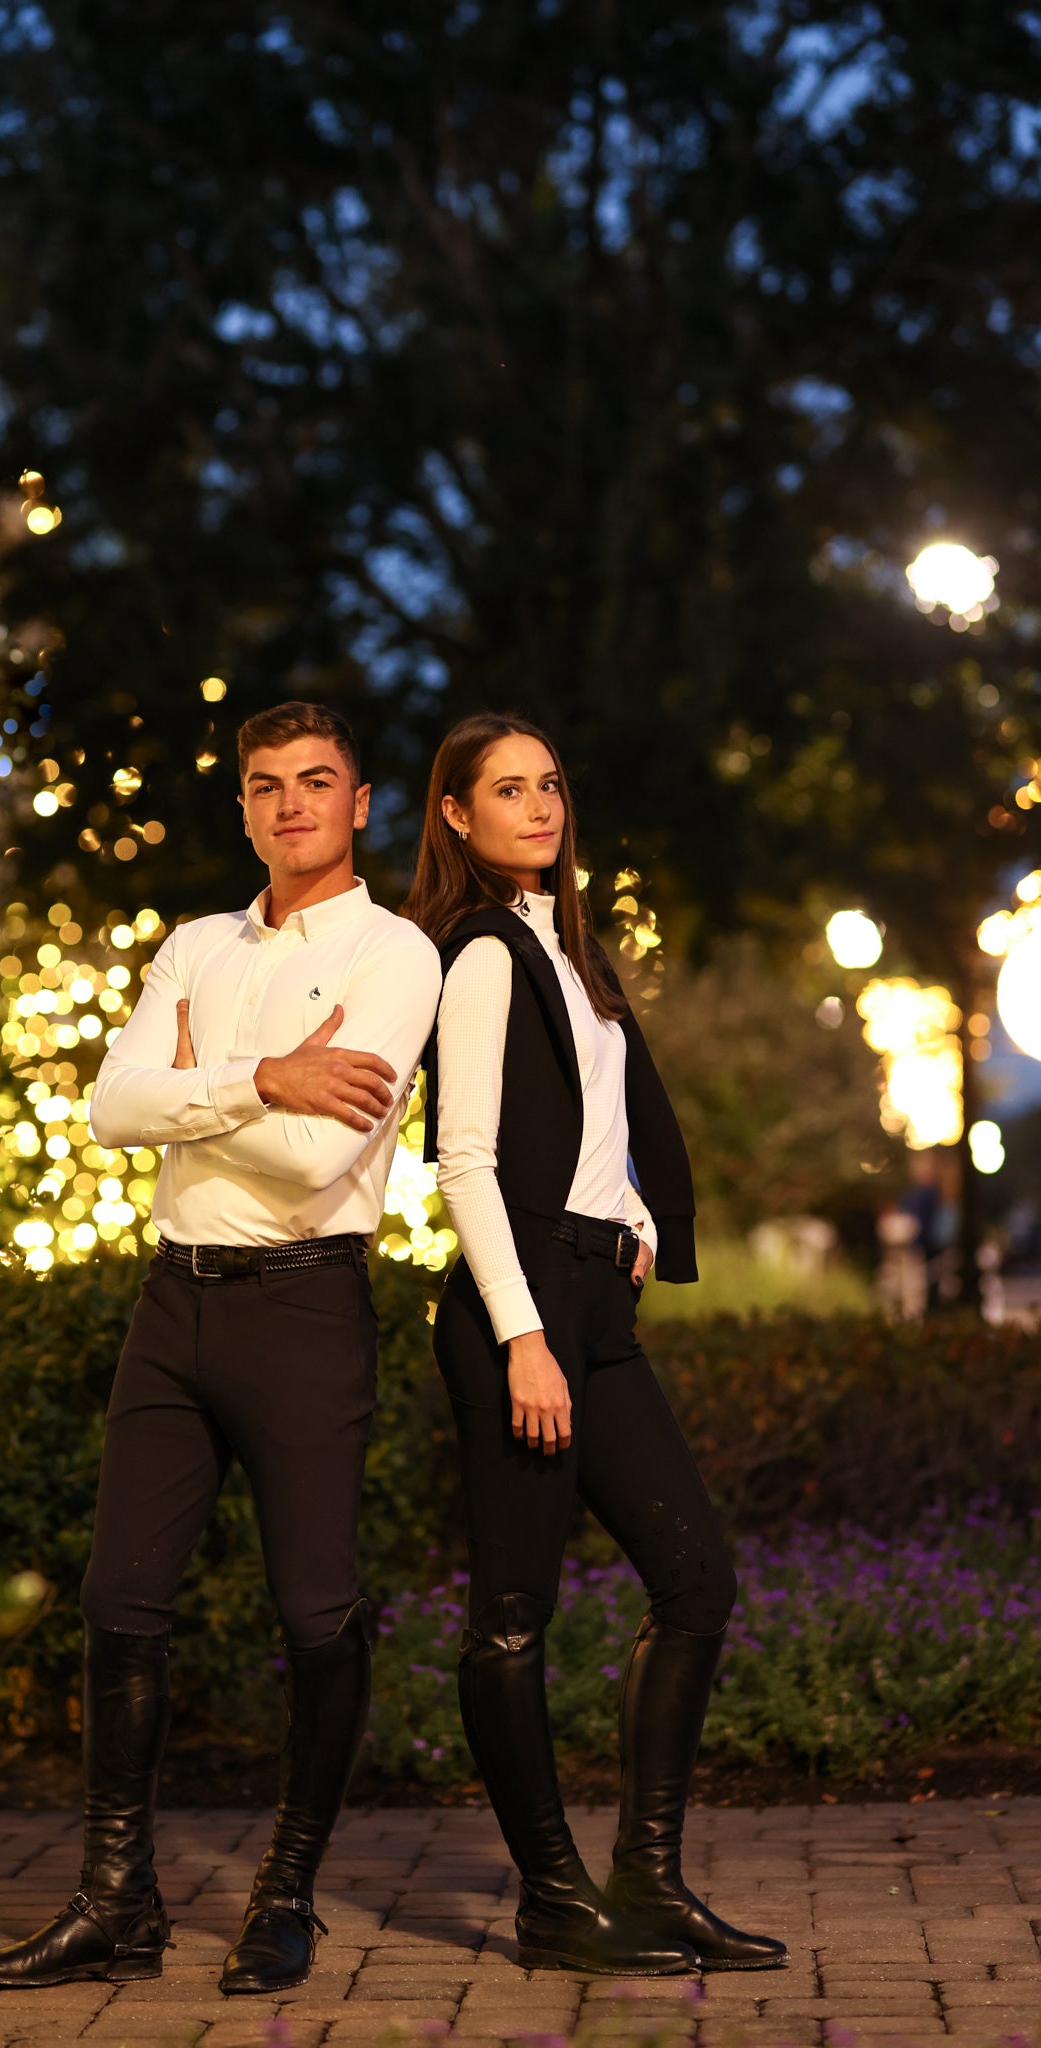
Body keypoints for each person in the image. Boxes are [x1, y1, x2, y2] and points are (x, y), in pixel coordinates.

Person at [0, 702, 442, 1997]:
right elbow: (107, 1110)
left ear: (357, 804)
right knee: (116, 1603)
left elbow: (314, 1158)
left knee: (313, 1613)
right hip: (169, 1306)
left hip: (303, 1305)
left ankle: (286, 1898)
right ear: (241, 805)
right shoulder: (189, 943)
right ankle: (116, 1901)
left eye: (316, 782)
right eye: (265, 784)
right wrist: (261, 1076)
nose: (289, 803)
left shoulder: (398, 958)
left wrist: (201, 1088)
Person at [404, 712, 787, 1978]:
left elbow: (598, 1120)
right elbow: (462, 1158)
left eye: (550, 783)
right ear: (455, 815)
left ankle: (650, 1878)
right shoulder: (476, 954)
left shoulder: (568, 949)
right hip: (514, 1309)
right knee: (511, 1617)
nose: (538, 804)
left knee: (696, 1579)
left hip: (589, 1301)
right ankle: (552, 1897)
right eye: (506, 789)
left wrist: (627, 1218)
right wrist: (522, 1335)